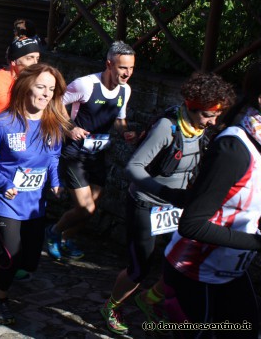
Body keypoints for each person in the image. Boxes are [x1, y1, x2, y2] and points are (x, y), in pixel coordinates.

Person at [100, 73, 235, 335]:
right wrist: (168, 194)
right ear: (192, 107)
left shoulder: (200, 126)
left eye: (216, 115)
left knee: (184, 260)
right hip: (147, 204)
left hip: (178, 206)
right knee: (140, 267)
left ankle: (149, 300)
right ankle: (111, 306)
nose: (213, 121)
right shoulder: (168, 126)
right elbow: (133, 167)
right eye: (208, 115)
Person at [162, 62, 261, 339]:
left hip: (231, 268)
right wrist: (257, 243)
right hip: (194, 270)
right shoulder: (234, 148)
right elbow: (191, 225)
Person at [0, 63, 70, 324]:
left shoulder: (53, 123)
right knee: (12, 256)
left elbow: (53, 156)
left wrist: (54, 180)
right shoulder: (3, 123)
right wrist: (2, 183)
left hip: (34, 204)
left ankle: (2, 256)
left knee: (29, 262)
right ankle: (0, 298)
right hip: (6, 202)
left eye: (51, 89)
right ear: (25, 87)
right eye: (40, 87)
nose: (45, 94)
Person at [47, 41, 137, 260]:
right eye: (123, 68)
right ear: (109, 64)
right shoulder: (85, 85)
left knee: (92, 208)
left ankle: (67, 239)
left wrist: (126, 132)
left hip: (97, 155)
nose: (127, 73)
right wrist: (69, 128)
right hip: (75, 153)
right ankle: (54, 233)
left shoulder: (125, 90)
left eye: (131, 68)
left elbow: (119, 120)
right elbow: (54, 103)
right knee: (85, 207)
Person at [0, 37, 41, 119]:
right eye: (29, 58)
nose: (35, 63)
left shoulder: (34, 81)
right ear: (13, 61)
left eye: (37, 59)